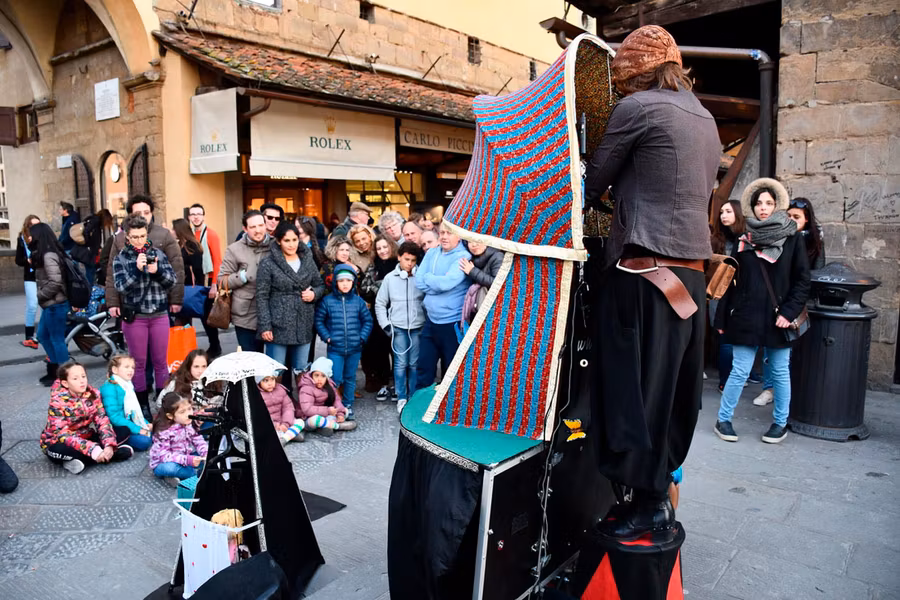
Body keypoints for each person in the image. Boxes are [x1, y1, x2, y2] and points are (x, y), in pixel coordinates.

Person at [583, 25, 722, 539]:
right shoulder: (704, 116)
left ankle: (647, 504)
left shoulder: (636, 108)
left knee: (633, 393)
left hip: (643, 274)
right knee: (671, 392)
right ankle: (653, 497)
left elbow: (592, 181)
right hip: (688, 275)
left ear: (632, 75)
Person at [715, 178, 811, 445]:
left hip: (778, 318)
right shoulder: (743, 239)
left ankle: (780, 423)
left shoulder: (792, 238)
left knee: (780, 372)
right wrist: (722, 317)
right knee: (739, 371)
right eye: (758, 203)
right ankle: (723, 419)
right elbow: (732, 282)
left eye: (769, 203)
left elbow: (803, 280)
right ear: (752, 207)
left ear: (778, 204)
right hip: (745, 316)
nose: (763, 208)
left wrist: (789, 313)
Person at [750, 196, 826, 408]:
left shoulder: (813, 240)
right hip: (778, 299)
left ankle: (790, 391)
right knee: (773, 346)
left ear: (806, 219)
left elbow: (814, 272)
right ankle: (769, 388)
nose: (792, 219)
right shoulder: (780, 235)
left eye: (797, 217)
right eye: (789, 215)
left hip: (800, 300)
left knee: (789, 351)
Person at [112, 214, 177, 417]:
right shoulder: (121, 258)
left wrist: (157, 271)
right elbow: (121, 287)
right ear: (127, 237)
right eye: (135, 237)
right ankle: (142, 406)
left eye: (142, 235)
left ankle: (162, 403)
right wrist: (138, 271)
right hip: (136, 317)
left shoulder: (158, 253)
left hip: (159, 314)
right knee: (138, 364)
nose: (140, 240)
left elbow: (172, 282)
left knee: (160, 362)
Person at [256, 221, 325, 377]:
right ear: (279, 241)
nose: (291, 244)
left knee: (302, 368)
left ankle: (304, 401)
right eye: (287, 240)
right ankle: (276, 401)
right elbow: (262, 296)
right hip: (278, 322)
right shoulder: (268, 263)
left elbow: (320, 285)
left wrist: (313, 293)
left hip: (303, 320)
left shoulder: (307, 259)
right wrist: (265, 326)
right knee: (276, 370)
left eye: (295, 239)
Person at [40, 361, 134, 475]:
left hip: (86, 436)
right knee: (55, 450)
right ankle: (110, 455)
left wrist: (109, 445)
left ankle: (91, 458)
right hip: (61, 441)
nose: (82, 381)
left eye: (83, 376)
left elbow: (102, 420)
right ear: (65, 383)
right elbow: (61, 434)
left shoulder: (93, 394)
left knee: (123, 430)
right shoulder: (57, 401)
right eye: (75, 379)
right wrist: (93, 449)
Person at [105, 194, 185, 320]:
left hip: (159, 302)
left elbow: (177, 268)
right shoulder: (120, 238)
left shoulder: (164, 235)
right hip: (131, 303)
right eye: (138, 212)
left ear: (152, 213)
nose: (143, 215)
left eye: (147, 212)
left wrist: (176, 299)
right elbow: (111, 273)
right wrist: (113, 302)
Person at [414, 228, 471, 391]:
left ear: (459, 236)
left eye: (449, 233)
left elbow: (446, 283)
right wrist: (437, 284)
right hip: (431, 321)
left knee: (450, 372)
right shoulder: (431, 253)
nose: (444, 237)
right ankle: (418, 410)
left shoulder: (463, 257)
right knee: (424, 367)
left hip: (451, 323)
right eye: (442, 233)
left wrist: (430, 279)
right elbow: (419, 281)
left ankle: (446, 412)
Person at [315, 264, 373, 420]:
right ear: (336, 283)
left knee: (350, 377)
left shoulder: (358, 302)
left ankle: (347, 404)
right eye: (341, 281)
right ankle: (334, 404)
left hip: (355, 348)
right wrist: (327, 337)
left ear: (353, 282)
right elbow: (319, 321)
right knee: (335, 378)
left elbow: (367, 321)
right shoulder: (327, 301)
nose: (345, 284)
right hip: (335, 348)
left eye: (349, 280)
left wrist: (362, 337)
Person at [376, 242, 425, 413]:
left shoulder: (421, 277)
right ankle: (401, 397)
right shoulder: (390, 278)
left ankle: (413, 396)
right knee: (400, 364)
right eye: (406, 259)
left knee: (414, 364)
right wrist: (386, 325)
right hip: (398, 327)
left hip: (418, 327)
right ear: (399, 257)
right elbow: (380, 303)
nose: (409, 264)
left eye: (413, 260)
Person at [710, 201, 755, 392]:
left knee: (745, 336)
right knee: (725, 338)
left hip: (743, 294)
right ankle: (725, 379)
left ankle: (745, 372)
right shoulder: (716, 240)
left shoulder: (748, 238)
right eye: (721, 212)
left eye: (728, 211)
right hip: (720, 292)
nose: (723, 215)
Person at [218, 210, 271, 353]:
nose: (258, 230)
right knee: (250, 359)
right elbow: (221, 281)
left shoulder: (276, 245)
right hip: (245, 315)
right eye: (253, 227)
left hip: (273, 312)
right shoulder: (234, 249)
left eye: (261, 225)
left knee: (273, 362)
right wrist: (243, 276)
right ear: (245, 229)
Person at [29, 223, 71, 385]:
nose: (29, 238)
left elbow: (55, 282)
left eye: (31, 235)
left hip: (56, 304)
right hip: (51, 304)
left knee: (56, 339)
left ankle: (66, 376)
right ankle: (57, 371)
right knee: (43, 336)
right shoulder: (46, 254)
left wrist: (40, 295)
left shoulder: (48, 255)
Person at [360, 235, 399, 398]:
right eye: (379, 248)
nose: (382, 251)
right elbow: (365, 288)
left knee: (397, 349)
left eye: (385, 247)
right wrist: (382, 286)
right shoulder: (373, 267)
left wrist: (380, 286)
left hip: (398, 312)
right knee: (380, 349)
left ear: (391, 246)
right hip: (378, 313)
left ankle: (398, 383)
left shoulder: (399, 264)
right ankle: (384, 382)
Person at [187, 203, 223, 357]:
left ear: (203, 216)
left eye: (199, 214)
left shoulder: (211, 234)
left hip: (207, 281)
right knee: (194, 314)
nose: (196, 217)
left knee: (207, 317)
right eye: (193, 214)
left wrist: (215, 285)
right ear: (189, 217)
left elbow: (217, 261)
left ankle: (215, 346)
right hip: (193, 281)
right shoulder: (188, 234)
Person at [149, 392, 208, 485]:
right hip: (162, 463)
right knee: (171, 468)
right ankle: (187, 474)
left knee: (210, 458)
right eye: (182, 412)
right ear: (170, 416)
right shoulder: (163, 431)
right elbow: (164, 456)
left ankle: (175, 476)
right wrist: (187, 460)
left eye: (189, 409)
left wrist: (205, 454)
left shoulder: (188, 423)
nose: (188, 414)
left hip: (183, 457)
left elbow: (199, 441)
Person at [99, 353, 153, 451]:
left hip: (129, 424)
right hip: (117, 428)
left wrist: (146, 423)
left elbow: (134, 412)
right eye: (126, 367)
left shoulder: (127, 385)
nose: (131, 370)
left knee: (158, 432)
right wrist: (138, 429)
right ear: (115, 370)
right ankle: (121, 443)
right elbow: (114, 417)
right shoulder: (109, 388)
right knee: (145, 441)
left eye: (132, 367)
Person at [296, 357, 355, 433]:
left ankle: (326, 426)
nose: (319, 379)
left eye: (323, 376)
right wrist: (327, 411)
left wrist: (340, 414)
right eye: (316, 375)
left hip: (326, 414)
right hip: (308, 417)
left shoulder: (330, 385)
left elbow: (336, 401)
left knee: (345, 410)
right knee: (316, 420)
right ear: (312, 375)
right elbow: (307, 409)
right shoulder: (306, 388)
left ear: (327, 377)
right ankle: (338, 426)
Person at [156, 348, 222, 415]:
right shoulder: (177, 383)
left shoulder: (213, 381)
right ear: (189, 367)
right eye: (196, 366)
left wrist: (209, 409)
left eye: (204, 366)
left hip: (205, 419)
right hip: (182, 420)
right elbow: (160, 403)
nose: (200, 371)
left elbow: (218, 404)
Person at [15, 215, 41, 349]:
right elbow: (18, 260)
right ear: (28, 226)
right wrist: (27, 261)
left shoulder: (42, 237)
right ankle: (29, 335)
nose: (36, 227)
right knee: (32, 305)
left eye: (38, 224)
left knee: (47, 305)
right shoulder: (22, 239)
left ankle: (42, 334)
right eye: (33, 225)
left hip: (43, 275)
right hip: (30, 276)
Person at [256, 374, 305, 444]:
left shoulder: (280, 390)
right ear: (259, 382)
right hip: (269, 424)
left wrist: (285, 423)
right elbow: (259, 415)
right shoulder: (257, 395)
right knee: (265, 432)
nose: (270, 383)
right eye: (266, 380)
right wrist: (275, 425)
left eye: (272, 379)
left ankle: (284, 438)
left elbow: (288, 407)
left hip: (282, 420)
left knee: (300, 422)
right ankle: (290, 435)